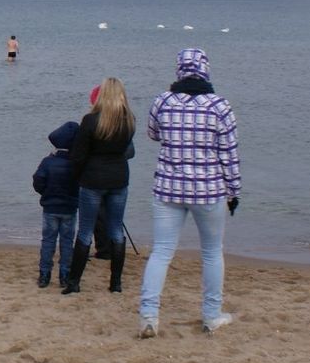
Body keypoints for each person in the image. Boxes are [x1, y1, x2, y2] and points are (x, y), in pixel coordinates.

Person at [140, 48, 241, 339]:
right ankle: (211, 315)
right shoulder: (220, 106)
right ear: (205, 71)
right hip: (208, 191)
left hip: (168, 188)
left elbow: (153, 133)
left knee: (161, 252)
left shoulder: (163, 101)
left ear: (179, 70)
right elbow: (229, 153)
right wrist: (234, 191)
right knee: (212, 253)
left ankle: (148, 316)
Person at [66, 78, 135, 294]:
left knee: (85, 231)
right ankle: (115, 283)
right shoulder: (128, 120)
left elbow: (78, 155)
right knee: (116, 230)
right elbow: (127, 150)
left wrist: (76, 176)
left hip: (93, 179)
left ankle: (74, 282)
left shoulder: (90, 120)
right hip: (118, 178)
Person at [31, 121, 80, 289]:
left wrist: (46, 193)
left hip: (50, 208)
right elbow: (80, 185)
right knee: (67, 242)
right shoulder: (76, 164)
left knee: (48, 241)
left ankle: (44, 274)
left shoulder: (48, 162)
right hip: (69, 208)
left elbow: (38, 181)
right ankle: (64, 275)